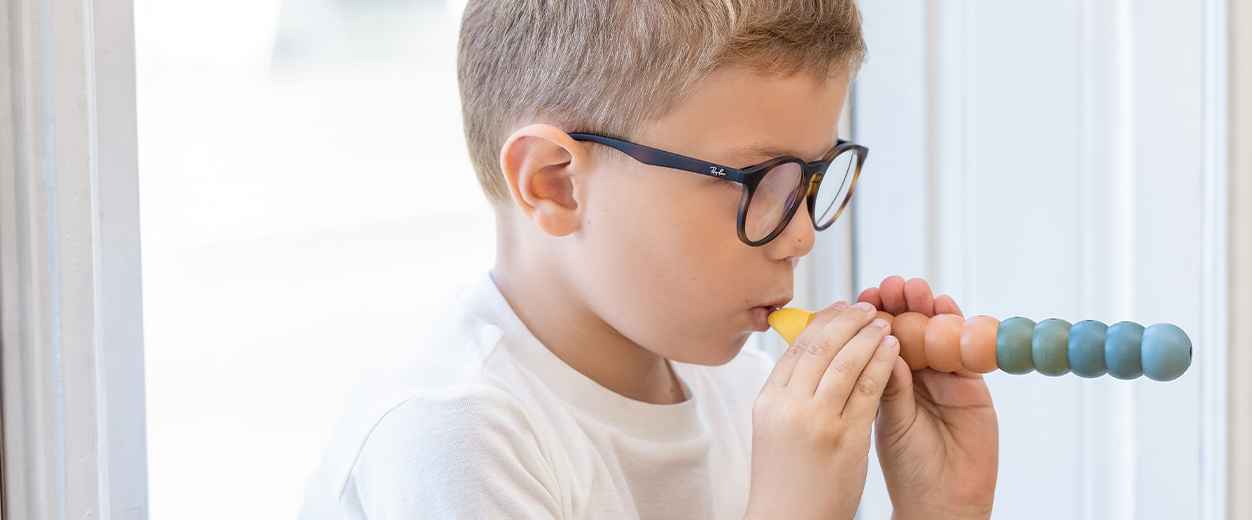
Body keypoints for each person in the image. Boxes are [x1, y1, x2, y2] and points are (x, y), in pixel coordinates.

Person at [298, 1, 999, 518]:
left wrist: (944, 510)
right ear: (554, 182)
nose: (801, 236)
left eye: (814, 179)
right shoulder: (455, 433)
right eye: (759, 181)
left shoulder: (751, 401)